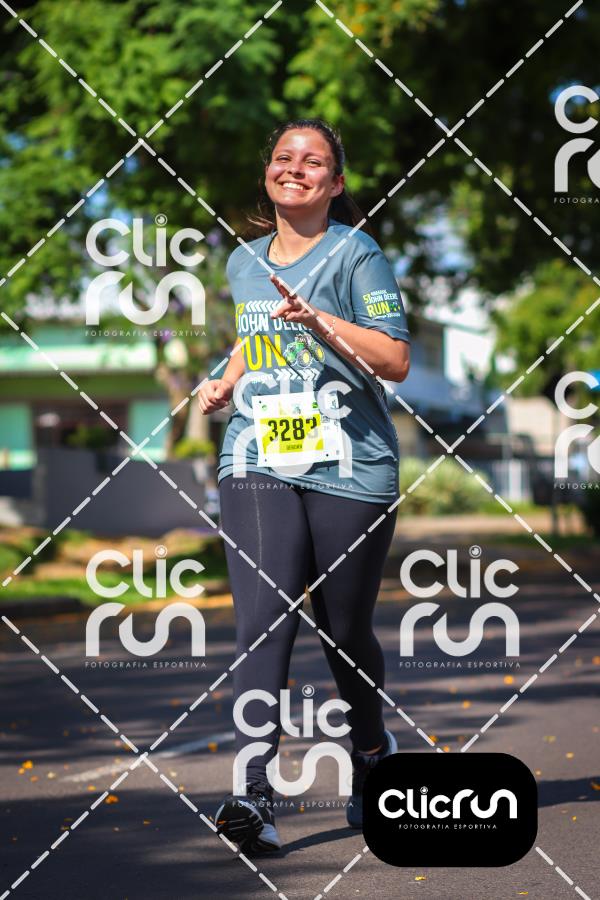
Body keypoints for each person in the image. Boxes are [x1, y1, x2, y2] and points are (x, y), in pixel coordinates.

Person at [197, 118, 410, 854]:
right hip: (256, 454)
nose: (295, 168)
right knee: (264, 619)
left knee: (343, 631)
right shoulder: (242, 261)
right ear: (268, 174)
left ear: (335, 182)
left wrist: (319, 320)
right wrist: (226, 380)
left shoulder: (358, 253)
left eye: (313, 161)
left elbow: (395, 359)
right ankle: (253, 793)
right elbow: (256, 335)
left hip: (350, 461)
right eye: (284, 158)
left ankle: (372, 750)